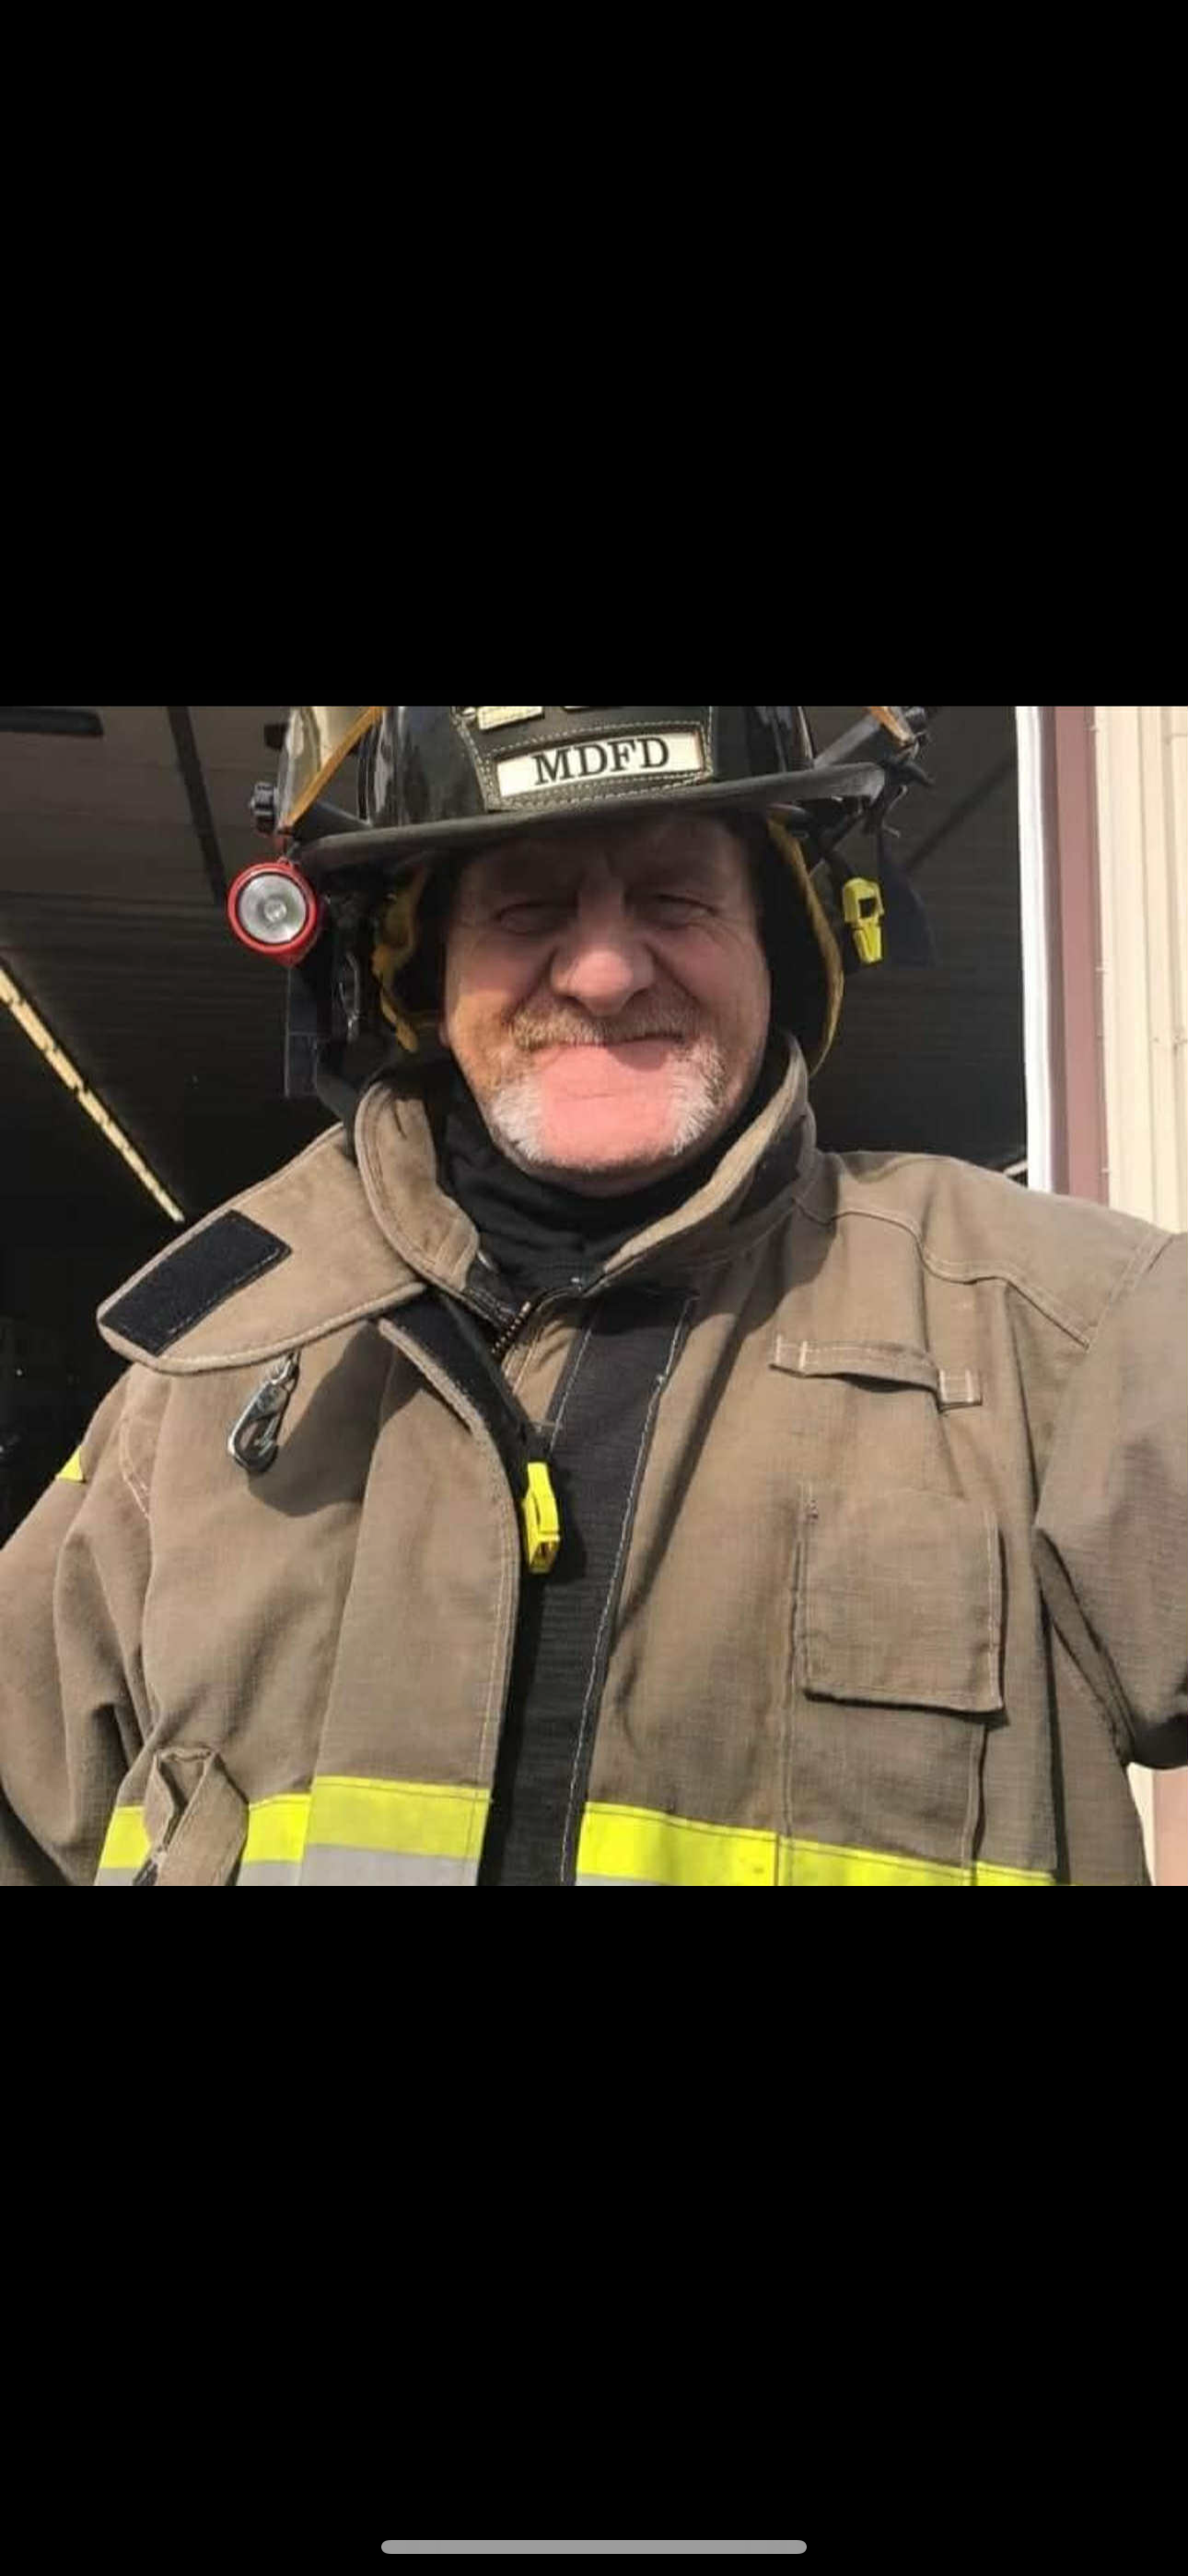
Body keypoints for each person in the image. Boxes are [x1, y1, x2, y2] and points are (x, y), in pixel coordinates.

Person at [0, 703, 1183, 1887]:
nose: (606, 974)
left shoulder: (1073, 1331)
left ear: (783, 945)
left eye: (676, 899)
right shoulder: (203, 1382)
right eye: (528, 908)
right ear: (422, 969)